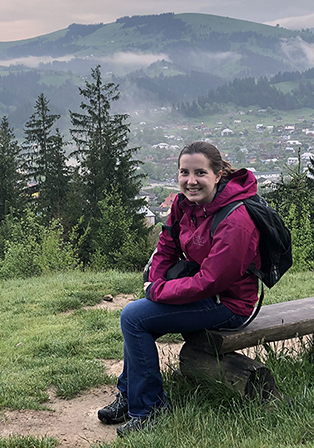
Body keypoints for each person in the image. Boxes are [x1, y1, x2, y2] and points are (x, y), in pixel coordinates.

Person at [98, 141, 261, 437]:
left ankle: (151, 410)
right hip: (202, 293)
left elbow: (212, 280)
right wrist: (154, 283)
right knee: (137, 315)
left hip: (230, 304)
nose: (191, 180)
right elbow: (166, 248)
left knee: (134, 317)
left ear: (218, 173)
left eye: (200, 172)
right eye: (184, 172)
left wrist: (157, 292)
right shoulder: (183, 204)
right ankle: (131, 393)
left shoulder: (236, 220)